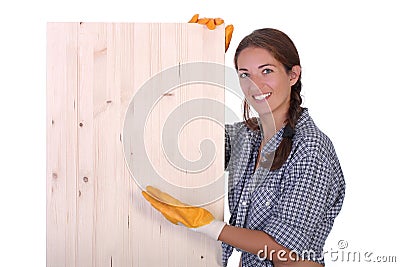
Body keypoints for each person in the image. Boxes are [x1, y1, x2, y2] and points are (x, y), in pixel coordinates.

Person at [142, 28, 346, 267]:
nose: (255, 85)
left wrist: (205, 224)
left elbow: (283, 247)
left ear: (293, 75)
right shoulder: (245, 136)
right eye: (244, 74)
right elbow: (184, 138)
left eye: (266, 71)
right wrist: (194, 52)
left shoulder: (310, 148)